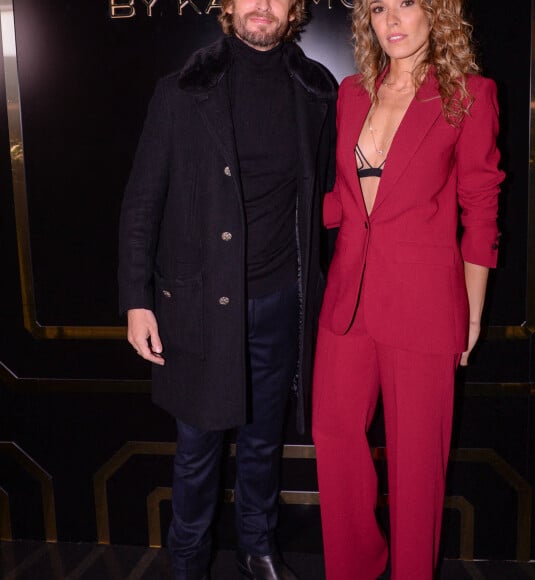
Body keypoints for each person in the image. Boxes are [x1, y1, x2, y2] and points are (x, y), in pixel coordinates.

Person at [117, 0, 336, 576]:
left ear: (295, 9)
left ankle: (258, 549)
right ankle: (187, 559)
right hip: (198, 307)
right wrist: (136, 299)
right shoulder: (181, 92)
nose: (261, 5)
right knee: (198, 450)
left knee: (264, 444)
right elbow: (142, 201)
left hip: (279, 303)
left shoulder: (318, 92)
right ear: (228, 5)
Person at [311, 0, 504, 578]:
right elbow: (342, 203)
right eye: (378, 8)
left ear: (437, 13)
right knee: (334, 435)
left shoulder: (468, 93)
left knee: (418, 465)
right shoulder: (351, 94)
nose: (392, 20)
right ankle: (356, 569)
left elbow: (481, 206)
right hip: (348, 299)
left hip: (424, 305)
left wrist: (470, 312)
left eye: (407, 4)